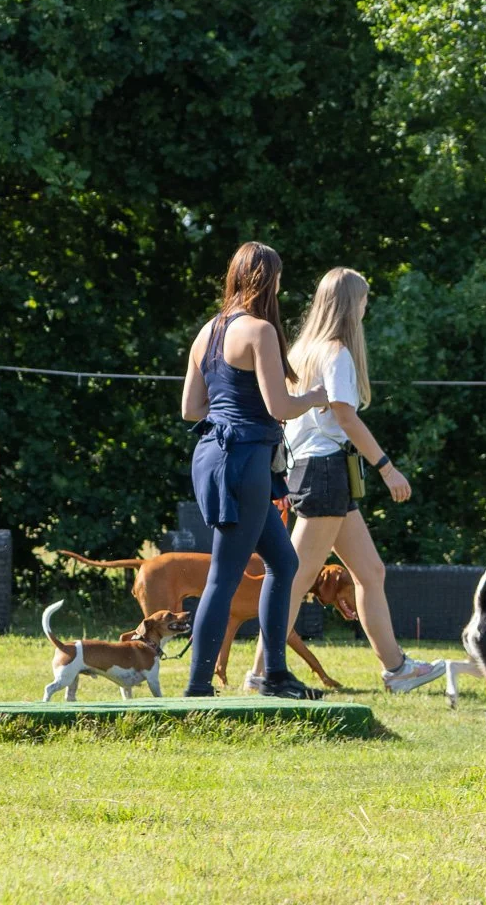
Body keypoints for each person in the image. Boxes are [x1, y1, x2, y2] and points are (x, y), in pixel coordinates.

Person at [248, 268, 445, 694]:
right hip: (323, 473)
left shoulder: (301, 350)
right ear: (351, 304)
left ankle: (397, 670)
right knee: (295, 579)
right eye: (364, 299)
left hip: (317, 471)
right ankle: (261, 672)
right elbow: (344, 414)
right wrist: (386, 466)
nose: (366, 307)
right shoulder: (336, 353)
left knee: (370, 572)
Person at [180, 242, 329, 700]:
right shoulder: (260, 331)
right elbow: (279, 405)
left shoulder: (208, 331)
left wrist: (231, 411)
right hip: (243, 460)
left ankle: (274, 674)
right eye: (279, 279)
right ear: (268, 280)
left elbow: (190, 408)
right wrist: (316, 397)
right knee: (224, 577)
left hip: (213, 455)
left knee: (283, 561)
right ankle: (198, 689)